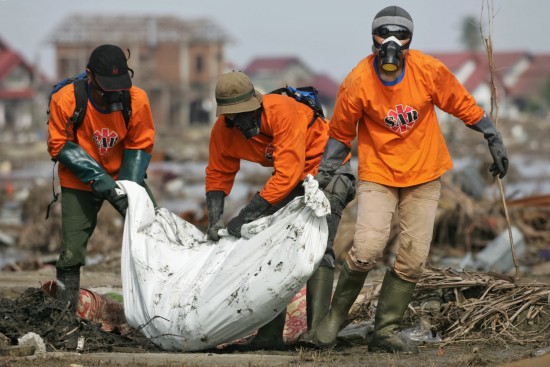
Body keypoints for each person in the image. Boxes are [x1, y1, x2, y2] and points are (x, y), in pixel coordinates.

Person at [301, 6, 508, 353]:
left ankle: (385, 331)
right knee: (366, 248)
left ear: (410, 41)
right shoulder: (357, 82)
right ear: (373, 39)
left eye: (400, 35)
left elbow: (462, 104)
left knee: (412, 259)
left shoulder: (428, 71)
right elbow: (340, 134)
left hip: (424, 175)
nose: (391, 43)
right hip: (378, 174)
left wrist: (493, 136)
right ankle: (331, 324)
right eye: (384, 34)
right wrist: (324, 174)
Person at [205, 70, 356, 350]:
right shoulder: (224, 132)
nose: (242, 123)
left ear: (257, 105)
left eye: (246, 114)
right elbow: (218, 173)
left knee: (318, 247)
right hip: (294, 177)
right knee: (273, 248)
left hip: (329, 171)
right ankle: (268, 337)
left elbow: (287, 175)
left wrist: (245, 216)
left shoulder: (283, 112)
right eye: (234, 117)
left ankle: (319, 335)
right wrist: (215, 221)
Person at [47, 44, 156, 313]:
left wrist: (128, 188)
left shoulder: (137, 99)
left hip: (122, 171)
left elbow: (140, 144)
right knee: (71, 252)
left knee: (153, 233)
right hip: (78, 179)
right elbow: (58, 145)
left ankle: (159, 306)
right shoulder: (65, 100)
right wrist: (98, 179)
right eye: (106, 88)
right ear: (89, 76)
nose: (113, 95)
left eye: (118, 87)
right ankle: (66, 312)